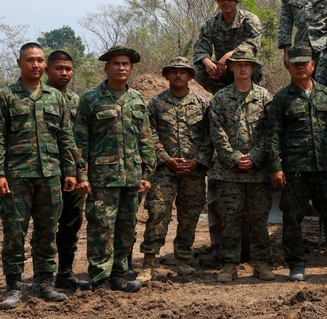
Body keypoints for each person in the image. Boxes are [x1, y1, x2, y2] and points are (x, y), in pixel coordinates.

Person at [0, 43, 78, 309]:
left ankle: (44, 283)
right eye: (30, 60)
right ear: (19, 63)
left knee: (47, 231)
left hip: (50, 175)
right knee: (14, 231)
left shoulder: (56, 97)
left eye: (40, 60)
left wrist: (70, 170)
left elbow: (65, 136)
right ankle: (14, 286)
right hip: (17, 176)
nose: (36, 65)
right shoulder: (5, 96)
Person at [268, 45, 327, 281]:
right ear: (289, 66)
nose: (300, 66)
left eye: (304, 62)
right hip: (295, 171)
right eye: (295, 62)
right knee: (292, 220)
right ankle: (296, 265)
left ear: (313, 65)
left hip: (326, 169)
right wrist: (276, 166)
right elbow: (273, 134)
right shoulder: (281, 99)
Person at [74, 45, 153, 293]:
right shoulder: (91, 98)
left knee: (125, 229)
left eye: (126, 64)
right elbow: (80, 141)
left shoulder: (138, 100)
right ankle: (99, 279)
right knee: (100, 228)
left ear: (131, 69)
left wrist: (147, 174)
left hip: (131, 178)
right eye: (116, 63)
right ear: (106, 68)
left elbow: (145, 139)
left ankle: (119, 275)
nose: (121, 67)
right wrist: (82, 175)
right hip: (102, 179)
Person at [136, 57, 212, 281]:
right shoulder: (156, 104)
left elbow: (209, 137)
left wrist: (197, 161)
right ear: (166, 76)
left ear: (190, 76)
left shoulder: (202, 104)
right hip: (164, 171)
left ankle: (184, 261)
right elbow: (150, 135)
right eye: (174, 71)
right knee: (158, 214)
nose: (178, 75)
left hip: (194, 171)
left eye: (183, 72)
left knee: (189, 216)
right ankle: (149, 263)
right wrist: (166, 159)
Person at [209, 48, 274, 283]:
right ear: (232, 68)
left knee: (259, 220)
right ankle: (229, 264)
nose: (243, 68)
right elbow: (217, 132)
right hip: (229, 173)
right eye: (239, 64)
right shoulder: (220, 99)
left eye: (248, 64)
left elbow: (271, 132)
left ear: (253, 68)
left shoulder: (266, 98)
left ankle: (262, 263)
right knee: (230, 219)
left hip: (258, 172)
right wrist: (235, 157)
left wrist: (255, 156)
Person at [45, 49, 88, 291]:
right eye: (59, 68)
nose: (64, 73)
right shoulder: (41, 97)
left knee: (71, 223)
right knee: (46, 225)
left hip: (73, 173)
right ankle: (43, 277)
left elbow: (81, 140)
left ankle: (65, 273)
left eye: (68, 69)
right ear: (46, 70)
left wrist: (82, 172)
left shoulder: (77, 101)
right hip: (46, 172)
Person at [192, 0, 264, 93]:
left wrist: (229, 56)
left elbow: (252, 45)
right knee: (198, 70)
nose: (225, 2)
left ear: (236, 1)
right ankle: (222, 96)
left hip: (243, 65)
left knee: (253, 67)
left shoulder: (249, 20)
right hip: (222, 70)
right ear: (217, 2)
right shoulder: (210, 24)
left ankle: (249, 94)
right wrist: (208, 63)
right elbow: (201, 47)